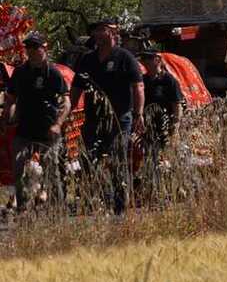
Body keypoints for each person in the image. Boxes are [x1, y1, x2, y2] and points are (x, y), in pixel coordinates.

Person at [70, 18, 144, 214]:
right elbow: (76, 87)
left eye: (101, 30)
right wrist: (69, 111)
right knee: (87, 159)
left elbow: (138, 87)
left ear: (112, 32)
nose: (97, 34)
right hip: (93, 119)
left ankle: (119, 204)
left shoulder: (125, 58)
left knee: (117, 159)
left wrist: (138, 114)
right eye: (95, 31)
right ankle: (90, 200)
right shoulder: (87, 59)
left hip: (119, 119)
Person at [3, 32, 69, 211]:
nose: (31, 51)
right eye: (29, 47)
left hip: (48, 129)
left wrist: (57, 124)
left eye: (35, 47)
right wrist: (5, 120)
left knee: (52, 172)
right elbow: (10, 98)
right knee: (18, 169)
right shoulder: (20, 72)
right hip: (24, 129)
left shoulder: (53, 73)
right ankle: (23, 208)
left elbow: (66, 102)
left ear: (44, 48)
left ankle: (56, 210)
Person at [137, 50, 183, 151]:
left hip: (163, 126)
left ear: (157, 60)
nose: (145, 61)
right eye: (143, 59)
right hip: (146, 125)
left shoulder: (169, 80)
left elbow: (176, 104)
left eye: (148, 58)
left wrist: (175, 127)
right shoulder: (143, 80)